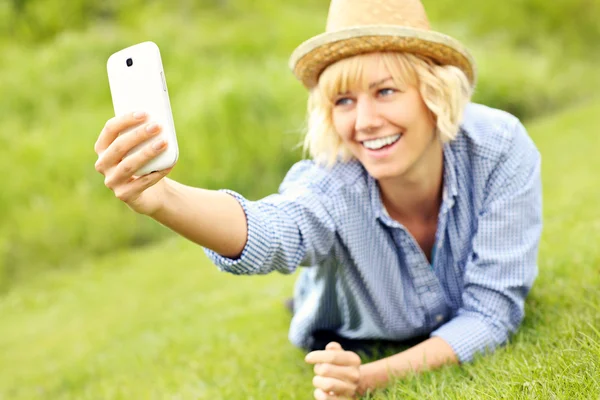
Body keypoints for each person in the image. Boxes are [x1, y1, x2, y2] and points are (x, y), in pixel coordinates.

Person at [93, 0, 543, 397]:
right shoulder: (333, 182)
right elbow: (273, 228)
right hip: (353, 326)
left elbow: (492, 312)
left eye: (385, 91)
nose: (364, 121)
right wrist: (163, 198)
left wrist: (369, 378)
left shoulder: (498, 147)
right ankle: (314, 297)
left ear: (434, 92)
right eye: (343, 100)